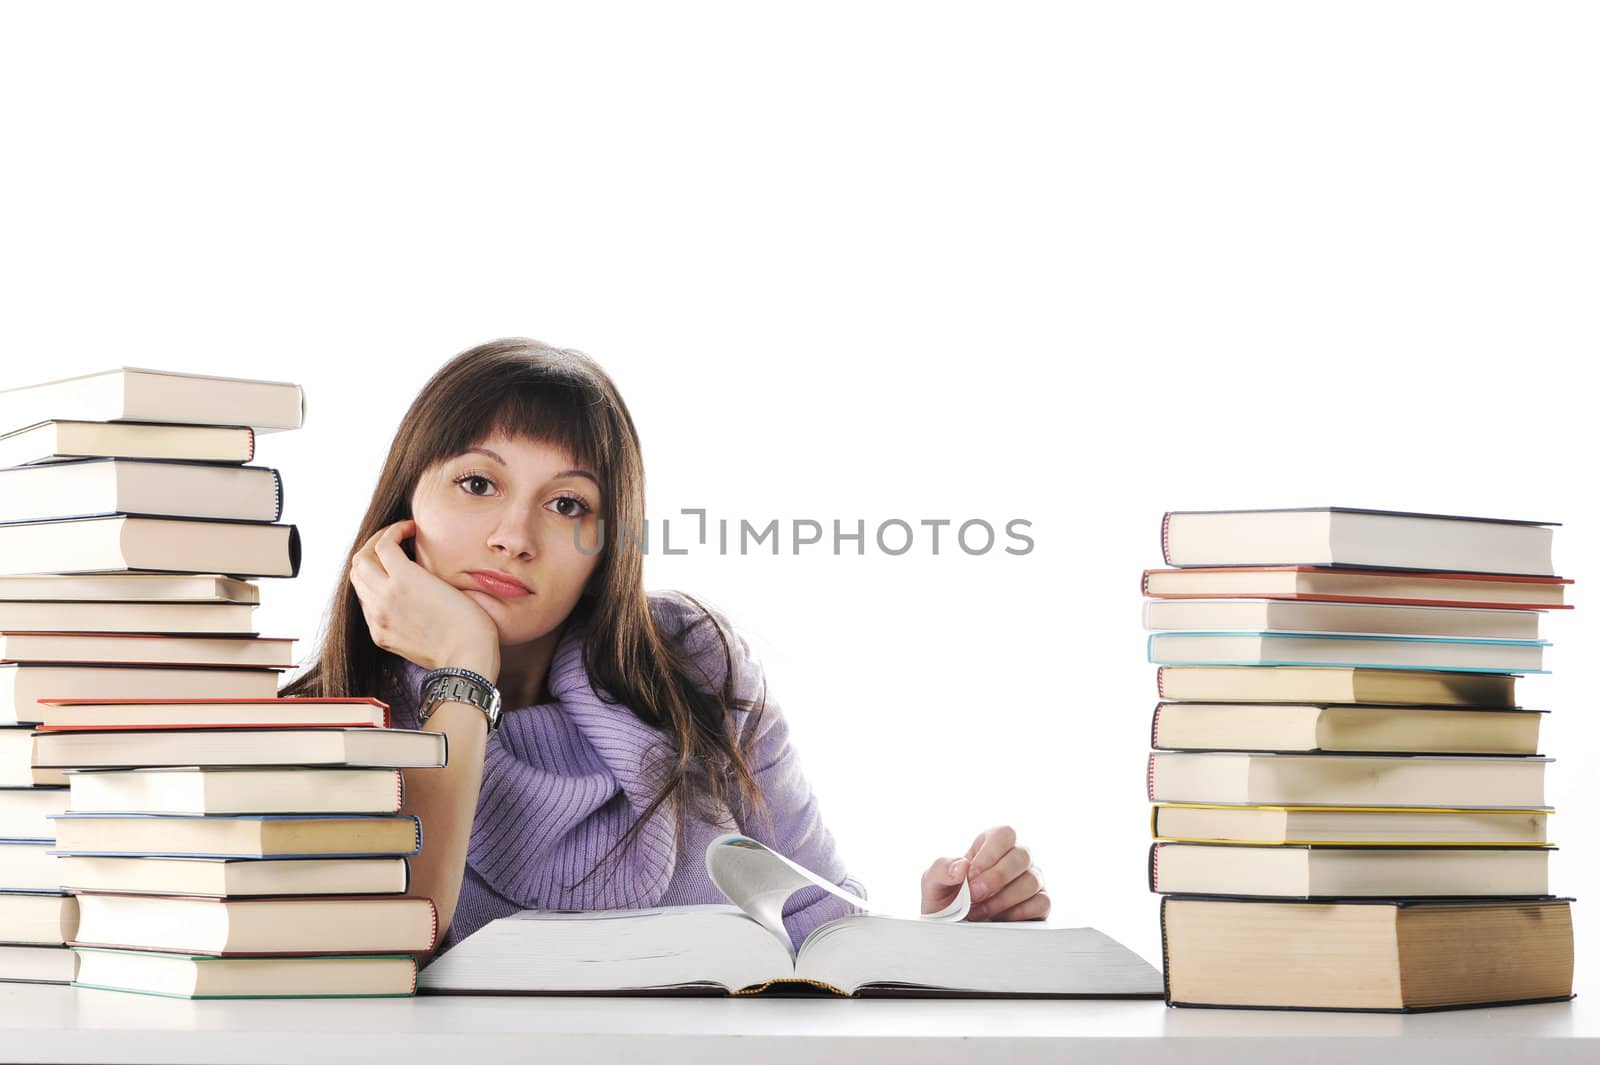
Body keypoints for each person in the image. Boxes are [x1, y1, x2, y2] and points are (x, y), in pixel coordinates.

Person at [283, 338, 1049, 968]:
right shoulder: (309, 726)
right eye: (478, 482)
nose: (514, 536)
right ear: (403, 503)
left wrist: (941, 937)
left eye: (567, 504)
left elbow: (825, 943)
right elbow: (387, 950)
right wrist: (463, 668)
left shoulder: (694, 666)